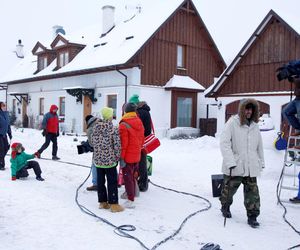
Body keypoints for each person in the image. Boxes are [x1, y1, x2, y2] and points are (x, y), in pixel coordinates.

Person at [219, 98, 264, 228]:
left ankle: (253, 215)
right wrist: (230, 161)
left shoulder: (255, 126)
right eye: (246, 108)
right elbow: (224, 143)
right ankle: (225, 206)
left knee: (253, 193)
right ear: (241, 109)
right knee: (229, 190)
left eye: (251, 109)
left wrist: (261, 162)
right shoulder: (232, 123)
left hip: (251, 165)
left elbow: (259, 146)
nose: (248, 111)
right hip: (236, 164)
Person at [91, 107, 124, 213]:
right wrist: (117, 157)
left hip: (98, 161)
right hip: (110, 161)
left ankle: (103, 202)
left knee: (100, 182)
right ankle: (114, 204)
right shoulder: (113, 128)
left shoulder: (95, 127)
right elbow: (117, 145)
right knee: (112, 182)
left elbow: (92, 143)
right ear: (110, 116)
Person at [119, 103, 144, 208]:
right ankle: (133, 194)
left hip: (128, 156)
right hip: (137, 154)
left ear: (126, 111)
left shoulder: (123, 124)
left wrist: (122, 157)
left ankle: (130, 199)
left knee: (128, 177)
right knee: (133, 175)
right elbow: (142, 140)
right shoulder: (139, 121)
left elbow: (123, 144)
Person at [129, 94, 152, 192]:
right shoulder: (146, 111)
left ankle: (142, 184)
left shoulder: (139, 113)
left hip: (139, 140)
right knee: (142, 161)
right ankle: (143, 181)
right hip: (144, 138)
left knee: (140, 162)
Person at [85, 114, 98, 191]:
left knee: (94, 166)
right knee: (109, 165)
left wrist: (87, 146)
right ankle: (116, 181)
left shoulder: (90, 129)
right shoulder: (100, 121)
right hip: (108, 149)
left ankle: (96, 184)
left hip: (98, 150)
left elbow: (91, 144)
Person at [0, 101, 12, 170]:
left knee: (6, 148)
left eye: (5, 105)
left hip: (4, 134)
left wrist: (9, 133)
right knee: (1, 149)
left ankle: (0, 160)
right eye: (3, 105)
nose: (4, 106)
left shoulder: (6, 114)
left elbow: (8, 124)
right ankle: (1, 164)